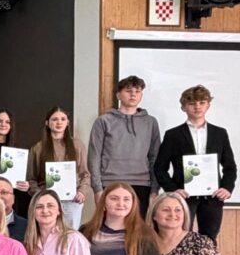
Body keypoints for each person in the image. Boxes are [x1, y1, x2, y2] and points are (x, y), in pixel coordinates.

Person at [153, 84, 236, 240]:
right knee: (181, 238)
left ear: (208, 105)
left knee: (209, 239)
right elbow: (160, 167)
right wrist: (173, 190)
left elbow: (230, 166)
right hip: (184, 196)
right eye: (192, 103)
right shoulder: (173, 135)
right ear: (183, 107)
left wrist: (227, 187)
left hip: (213, 196)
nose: (197, 107)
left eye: (202, 102)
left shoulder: (220, 133)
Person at [88, 75, 160, 218]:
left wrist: (154, 190)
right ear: (118, 95)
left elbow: (155, 157)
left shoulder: (151, 122)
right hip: (110, 182)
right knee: (110, 225)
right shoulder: (103, 121)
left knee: (137, 228)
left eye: (137, 91)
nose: (133, 94)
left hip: (142, 184)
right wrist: (97, 189)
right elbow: (94, 156)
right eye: (128, 91)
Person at [26, 105, 90, 206]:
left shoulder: (77, 145)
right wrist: (40, 195)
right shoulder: (37, 148)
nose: (59, 122)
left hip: (72, 199)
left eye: (63, 119)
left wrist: (82, 192)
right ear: (47, 123)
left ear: (67, 122)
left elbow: (85, 175)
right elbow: (31, 179)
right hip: (46, 201)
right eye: (55, 119)